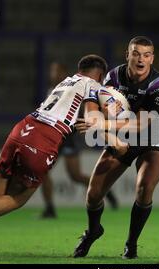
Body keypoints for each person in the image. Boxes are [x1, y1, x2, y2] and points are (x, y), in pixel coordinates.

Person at [0, 55, 108, 259]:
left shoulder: (67, 81)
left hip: (23, 127)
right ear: (100, 75)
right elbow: (93, 115)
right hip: (45, 138)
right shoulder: (93, 84)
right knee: (19, 198)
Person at [72, 36, 159, 259]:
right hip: (121, 137)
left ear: (152, 58)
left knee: (145, 187)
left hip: (151, 138)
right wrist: (109, 136)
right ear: (128, 55)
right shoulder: (113, 76)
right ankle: (93, 231)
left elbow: (141, 123)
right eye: (136, 53)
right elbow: (97, 109)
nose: (141, 59)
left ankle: (131, 244)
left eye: (146, 55)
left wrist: (100, 124)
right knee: (94, 193)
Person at [41, 62, 118, 218]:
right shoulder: (53, 90)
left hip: (68, 136)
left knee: (75, 175)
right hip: (55, 137)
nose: (53, 74)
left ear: (63, 73)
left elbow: (84, 107)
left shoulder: (73, 87)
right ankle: (50, 208)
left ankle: (104, 189)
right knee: (43, 172)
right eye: (52, 71)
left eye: (56, 71)